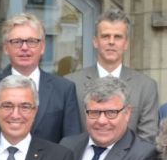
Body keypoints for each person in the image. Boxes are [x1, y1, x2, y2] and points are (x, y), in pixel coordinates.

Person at [0, 12, 82, 143]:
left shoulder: (64, 89)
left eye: (31, 41)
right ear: (6, 48)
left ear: (42, 47)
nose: (24, 48)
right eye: (17, 42)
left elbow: (71, 143)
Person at [66, 10, 159, 142]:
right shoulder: (71, 83)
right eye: (105, 36)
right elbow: (69, 136)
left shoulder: (145, 86)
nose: (111, 42)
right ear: (95, 42)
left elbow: (147, 138)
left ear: (126, 43)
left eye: (118, 37)